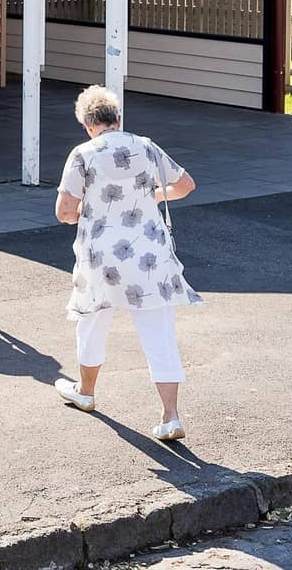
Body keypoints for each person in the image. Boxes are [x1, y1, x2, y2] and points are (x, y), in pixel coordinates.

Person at [53, 85, 201, 442]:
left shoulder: (83, 154)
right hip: (149, 254)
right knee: (159, 333)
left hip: (102, 256)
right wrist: (149, 196)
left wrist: (89, 210)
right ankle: (170, 415)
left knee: (92, 322)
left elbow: (64, 212)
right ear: (117, 119)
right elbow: (185, 185)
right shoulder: (146, 146)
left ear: (87, 124)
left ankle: (86, 392)